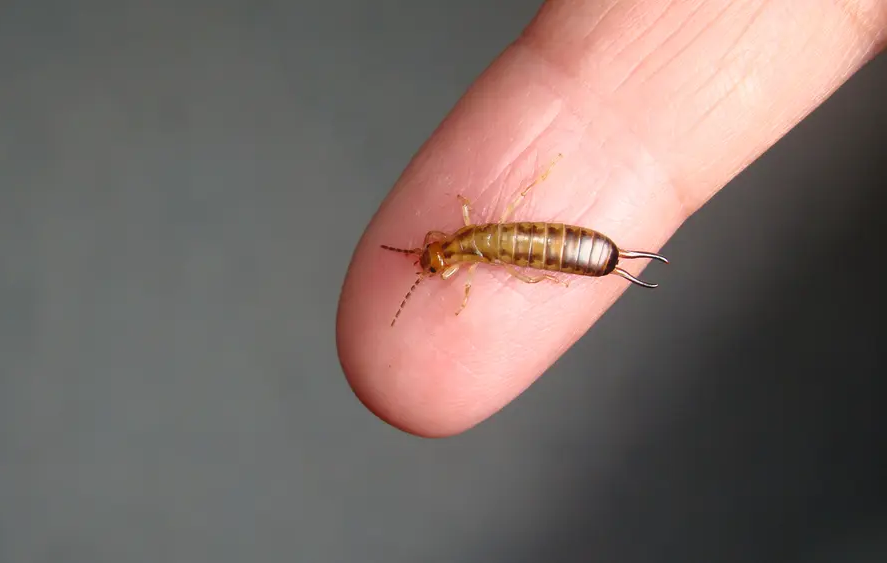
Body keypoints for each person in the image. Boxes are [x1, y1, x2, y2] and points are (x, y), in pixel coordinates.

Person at [336, 0, 886, 438]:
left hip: (550, 247)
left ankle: (619, 264)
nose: (432, 258)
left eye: (431, 259)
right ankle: (619, 263)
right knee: (534, 257)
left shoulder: (466, 251)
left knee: (534, 261)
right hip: (548, 245)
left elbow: (465, 252)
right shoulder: (469, 236)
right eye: (430, 262)